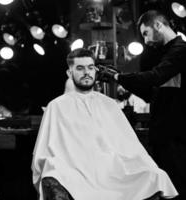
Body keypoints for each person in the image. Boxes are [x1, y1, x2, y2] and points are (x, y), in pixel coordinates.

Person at [32, 48, 178, 200]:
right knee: (54, 173)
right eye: (80, 68)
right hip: (74, 171)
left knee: (155, 176)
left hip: (112, 170)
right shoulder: (56, 106)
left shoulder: (110, 104)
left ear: (95, 70)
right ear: (69, 73)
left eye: (90, 67)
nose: (86, 73)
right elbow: (45, 151)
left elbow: (129, 145)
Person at [99, 10, 186, 199]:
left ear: (158, 25)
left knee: (178, 189)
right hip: (163, 133)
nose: (145, 41)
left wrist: (118, 76)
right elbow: (150, 94)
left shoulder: (181, 50)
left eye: (146, 33)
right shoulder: (164, 53)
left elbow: (155, 77)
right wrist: (120, 78)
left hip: (176, 133)